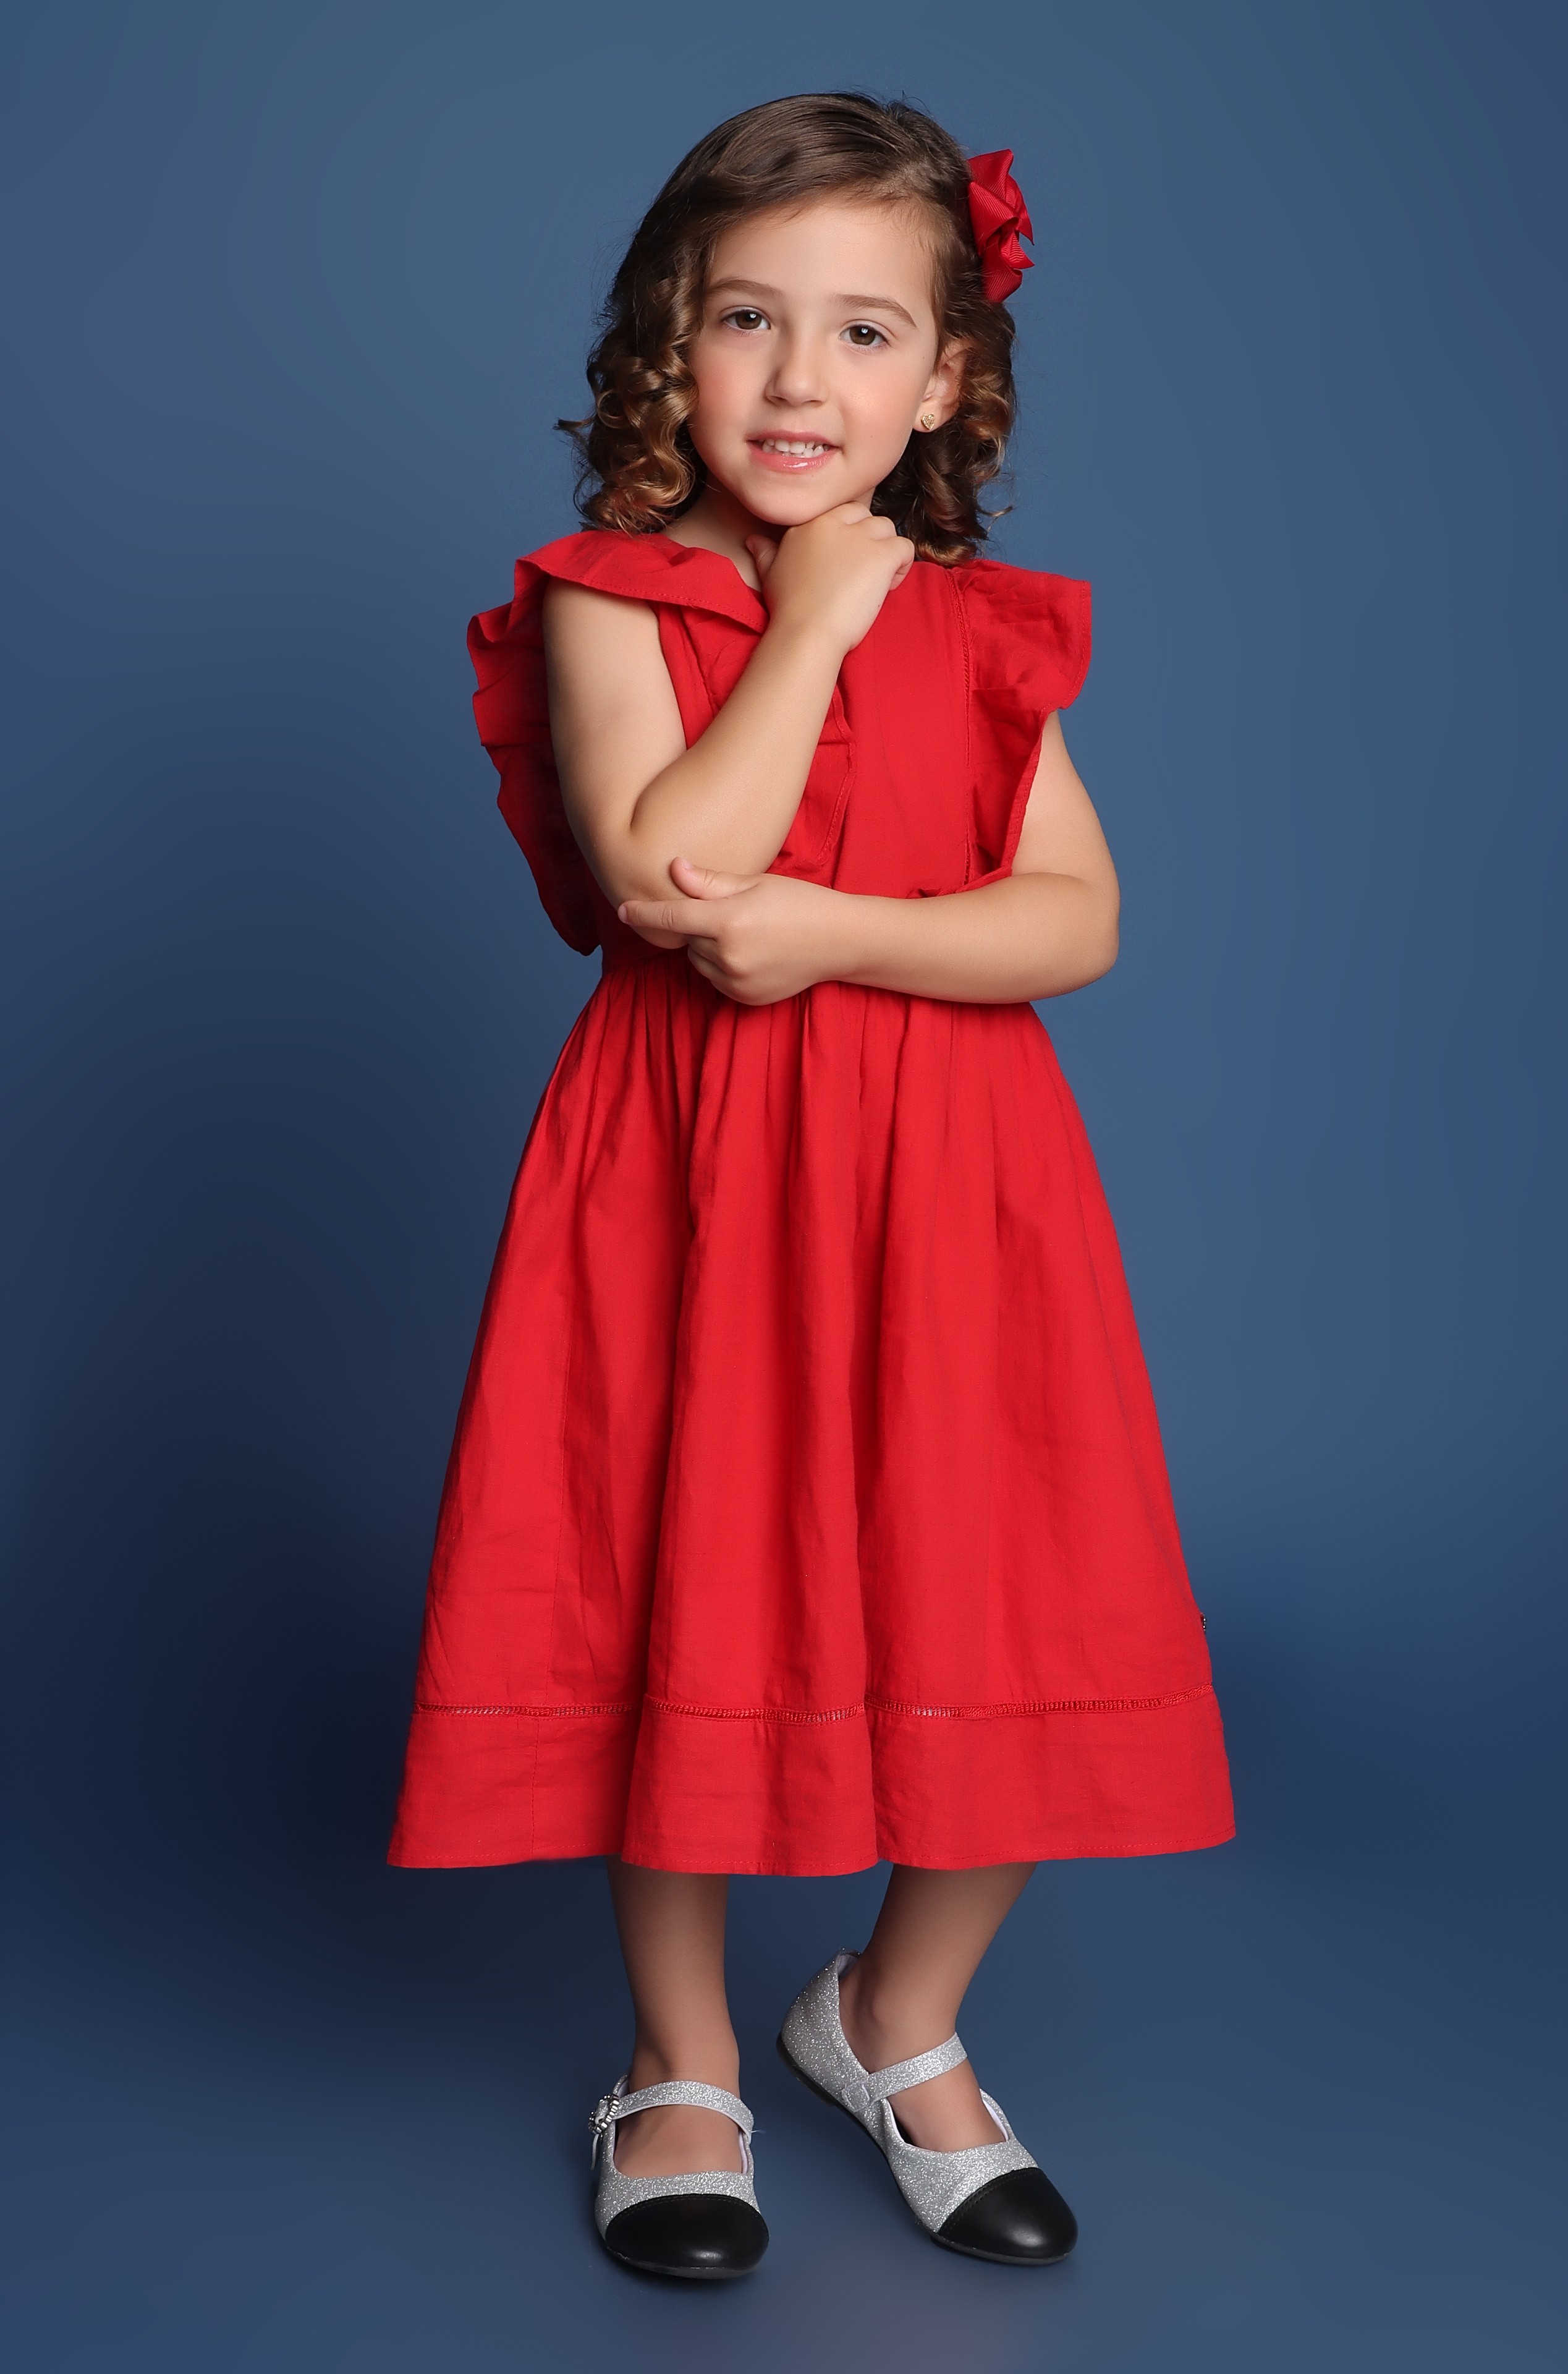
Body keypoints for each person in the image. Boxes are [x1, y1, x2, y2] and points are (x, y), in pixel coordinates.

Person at [389, 91, 1234, 2281]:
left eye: (864, 332)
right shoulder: (610, 599)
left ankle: (892, 2016)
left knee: (1000, 1584)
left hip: (953, 1193)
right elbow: (672, 864)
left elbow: (1074, 916)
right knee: (677, 1573)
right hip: (688, 1186)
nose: (797, 377)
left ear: (943, 381)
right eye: (745, 318)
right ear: (667, 346)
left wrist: (844, 933)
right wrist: (810, 628)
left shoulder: (982, 627)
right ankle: (680, 2057)